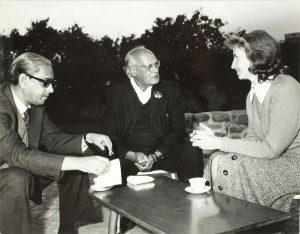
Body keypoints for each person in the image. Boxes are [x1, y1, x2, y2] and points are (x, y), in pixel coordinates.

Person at [190, 30, 300, 233]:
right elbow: (253, 139)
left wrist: (221, 142)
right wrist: (217, 142)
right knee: (218, 159)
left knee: (229, 164)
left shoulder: (287, 88)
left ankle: (236, 224)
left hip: (294, 165)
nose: (232, 65)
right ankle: (229, 221)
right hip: (277, 160)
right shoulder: (253, 92)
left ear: (256, 57)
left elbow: (271, 149)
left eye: (236, 58)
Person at [0, 52, 114, 234]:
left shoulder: (35, 106)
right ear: (23, 79)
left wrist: (87, 138)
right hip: (9, 173)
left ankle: (68, 231)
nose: (51, 89)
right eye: (45, 82)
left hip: (20, 167)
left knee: (74, 160)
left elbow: (52, 139)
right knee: (17, 178)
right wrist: (80, 163)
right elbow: (17, 155)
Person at [102, 46, 203, 233]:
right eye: (148, 66)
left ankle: (190, 207)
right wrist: (132, 155)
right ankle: (126, 213)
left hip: (163, 154)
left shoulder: (170, 91)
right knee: (110, 159)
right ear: (132, 71)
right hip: (130, 158)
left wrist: (156, 155)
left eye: (156, 64)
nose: (156, 69)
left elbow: (177, 131)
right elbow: (111, 136)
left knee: (191, 150)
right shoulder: (114, 95)